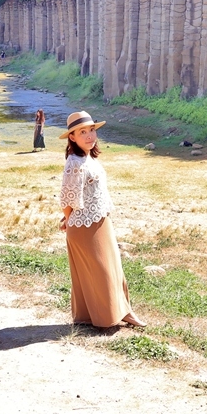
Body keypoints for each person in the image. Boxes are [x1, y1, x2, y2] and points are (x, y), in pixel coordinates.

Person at [58, 111, 145, 328]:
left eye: (91, 130)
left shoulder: (88, 157)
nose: (89, 136)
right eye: (82, 132)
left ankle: (123, 311)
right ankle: (106, 316)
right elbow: (68, 198)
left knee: (114, 268)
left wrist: (68, 217)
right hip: (84, 227)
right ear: (72, 137)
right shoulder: (75, 162)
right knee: (102, 272)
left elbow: (84, 193)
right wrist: (68, 219)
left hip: (100, 220)